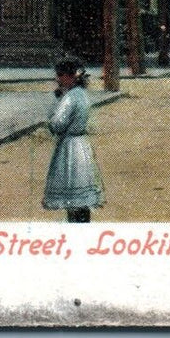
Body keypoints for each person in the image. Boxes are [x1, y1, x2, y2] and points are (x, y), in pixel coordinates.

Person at [43, 59, 105, 223]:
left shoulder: (69, 98)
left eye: (60, 75)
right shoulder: (82, 95)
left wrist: (56, 105)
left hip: (69, 147)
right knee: (81, 193)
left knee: (71, 190)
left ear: (70, 77)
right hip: (82, 146)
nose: (57, 79)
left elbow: (57, 124)